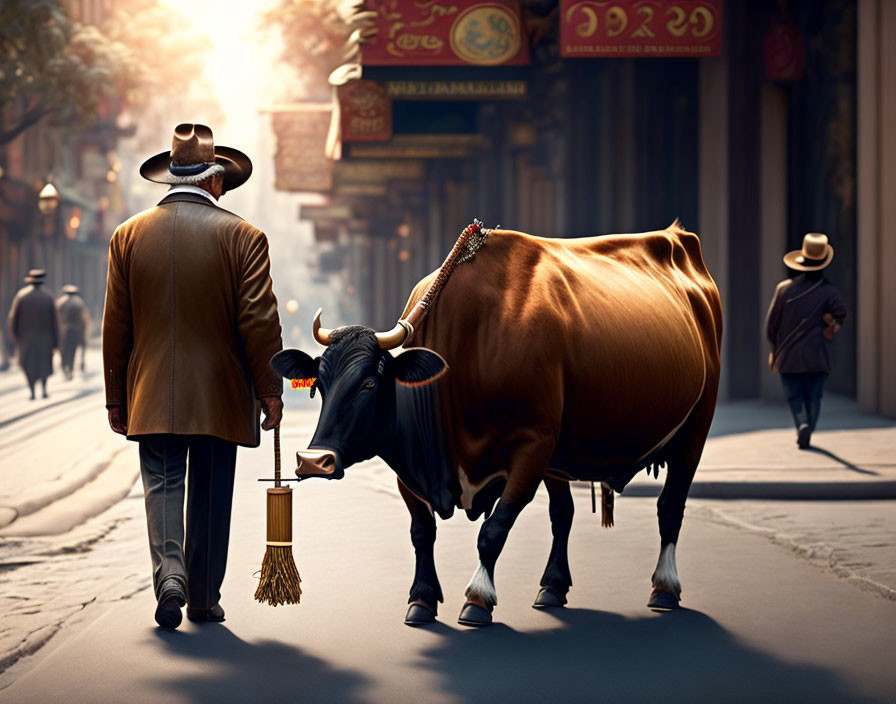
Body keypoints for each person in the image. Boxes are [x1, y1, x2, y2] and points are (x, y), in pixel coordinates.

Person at [103, 123, 284, 630]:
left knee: (161, 483)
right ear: (215, 182)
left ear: (171, 179)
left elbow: (116, 325)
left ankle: (170, 576)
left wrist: (116, 397)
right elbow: (258, 320)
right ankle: (203, 598)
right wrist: (270, 389)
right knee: (210, 487)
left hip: (149, 391)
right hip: (220, 393)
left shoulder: (127, 236)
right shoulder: (244, 236)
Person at [765, 233, 847, 449]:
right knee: (814, 397)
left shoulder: (784, 289)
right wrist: (831, 323)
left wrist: (774, 349)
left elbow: (771, 325)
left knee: (794, 396)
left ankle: (802, 424)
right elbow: (841, 312)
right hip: (817, 356)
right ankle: (809, 425)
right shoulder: (830, 291)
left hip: (789, 357)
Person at [7, 269, 59, 400]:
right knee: (44, 364)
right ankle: (44, 389)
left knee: (28, 365)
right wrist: (56, 342)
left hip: (26, 339)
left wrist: (15, 337)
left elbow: (13, 319)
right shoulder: (48, 297)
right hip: (45, 339)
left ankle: (32, 391)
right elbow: (55, 322)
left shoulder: (21, 296)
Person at [56, 284, 90, 380]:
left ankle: (64, 367)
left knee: (63, 350)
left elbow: (56, 317)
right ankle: (70, 369)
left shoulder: (60, 302)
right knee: (72, 351)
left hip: (63, 330)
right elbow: (84, 319)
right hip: (76, 330)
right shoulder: (79, 303)